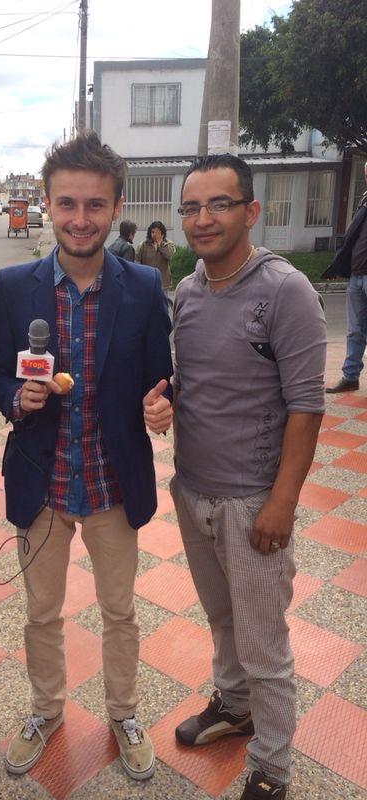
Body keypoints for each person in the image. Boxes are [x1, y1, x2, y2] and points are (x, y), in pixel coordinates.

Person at [0, 130, 173, 782]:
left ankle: (124, 713)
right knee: (42, 613)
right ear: (47, 203)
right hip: (41, 482)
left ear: (116, 206)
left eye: (95, 204)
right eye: (67, 203)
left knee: (119, 612)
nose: (81, 218)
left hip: (113, 483)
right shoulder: (14, 286)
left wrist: (164, 404)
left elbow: (162, 375)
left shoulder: (143, 287)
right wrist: (17, 398)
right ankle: (46, 710)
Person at [170, 154, 326, 800]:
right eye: (191, 207)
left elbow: (307, 406)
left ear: (250, 211)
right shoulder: (187, 292)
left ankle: (272, 766)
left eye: (219, 204)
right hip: (192, 489)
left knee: (264, 642)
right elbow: (198, 381)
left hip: (254, 500)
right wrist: (165, 400)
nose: (203, 219)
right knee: (222, 618)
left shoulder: (285, 290)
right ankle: (234, 708)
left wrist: (282, 503)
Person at [322, 160, 367, 393]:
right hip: (357, 274)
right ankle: (350, 377)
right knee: (354, 330)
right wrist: (340, 267)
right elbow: (352, 238)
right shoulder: (364, 200)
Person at [135, 220, 176, 291]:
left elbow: (169, 256)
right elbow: (136, 261)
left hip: (163, 283)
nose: (154, 234)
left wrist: (160, 244)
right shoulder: (143, 245)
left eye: (157, 232)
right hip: (147, 281)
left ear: (162, 233)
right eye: (152, 232)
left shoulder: (168, 244)